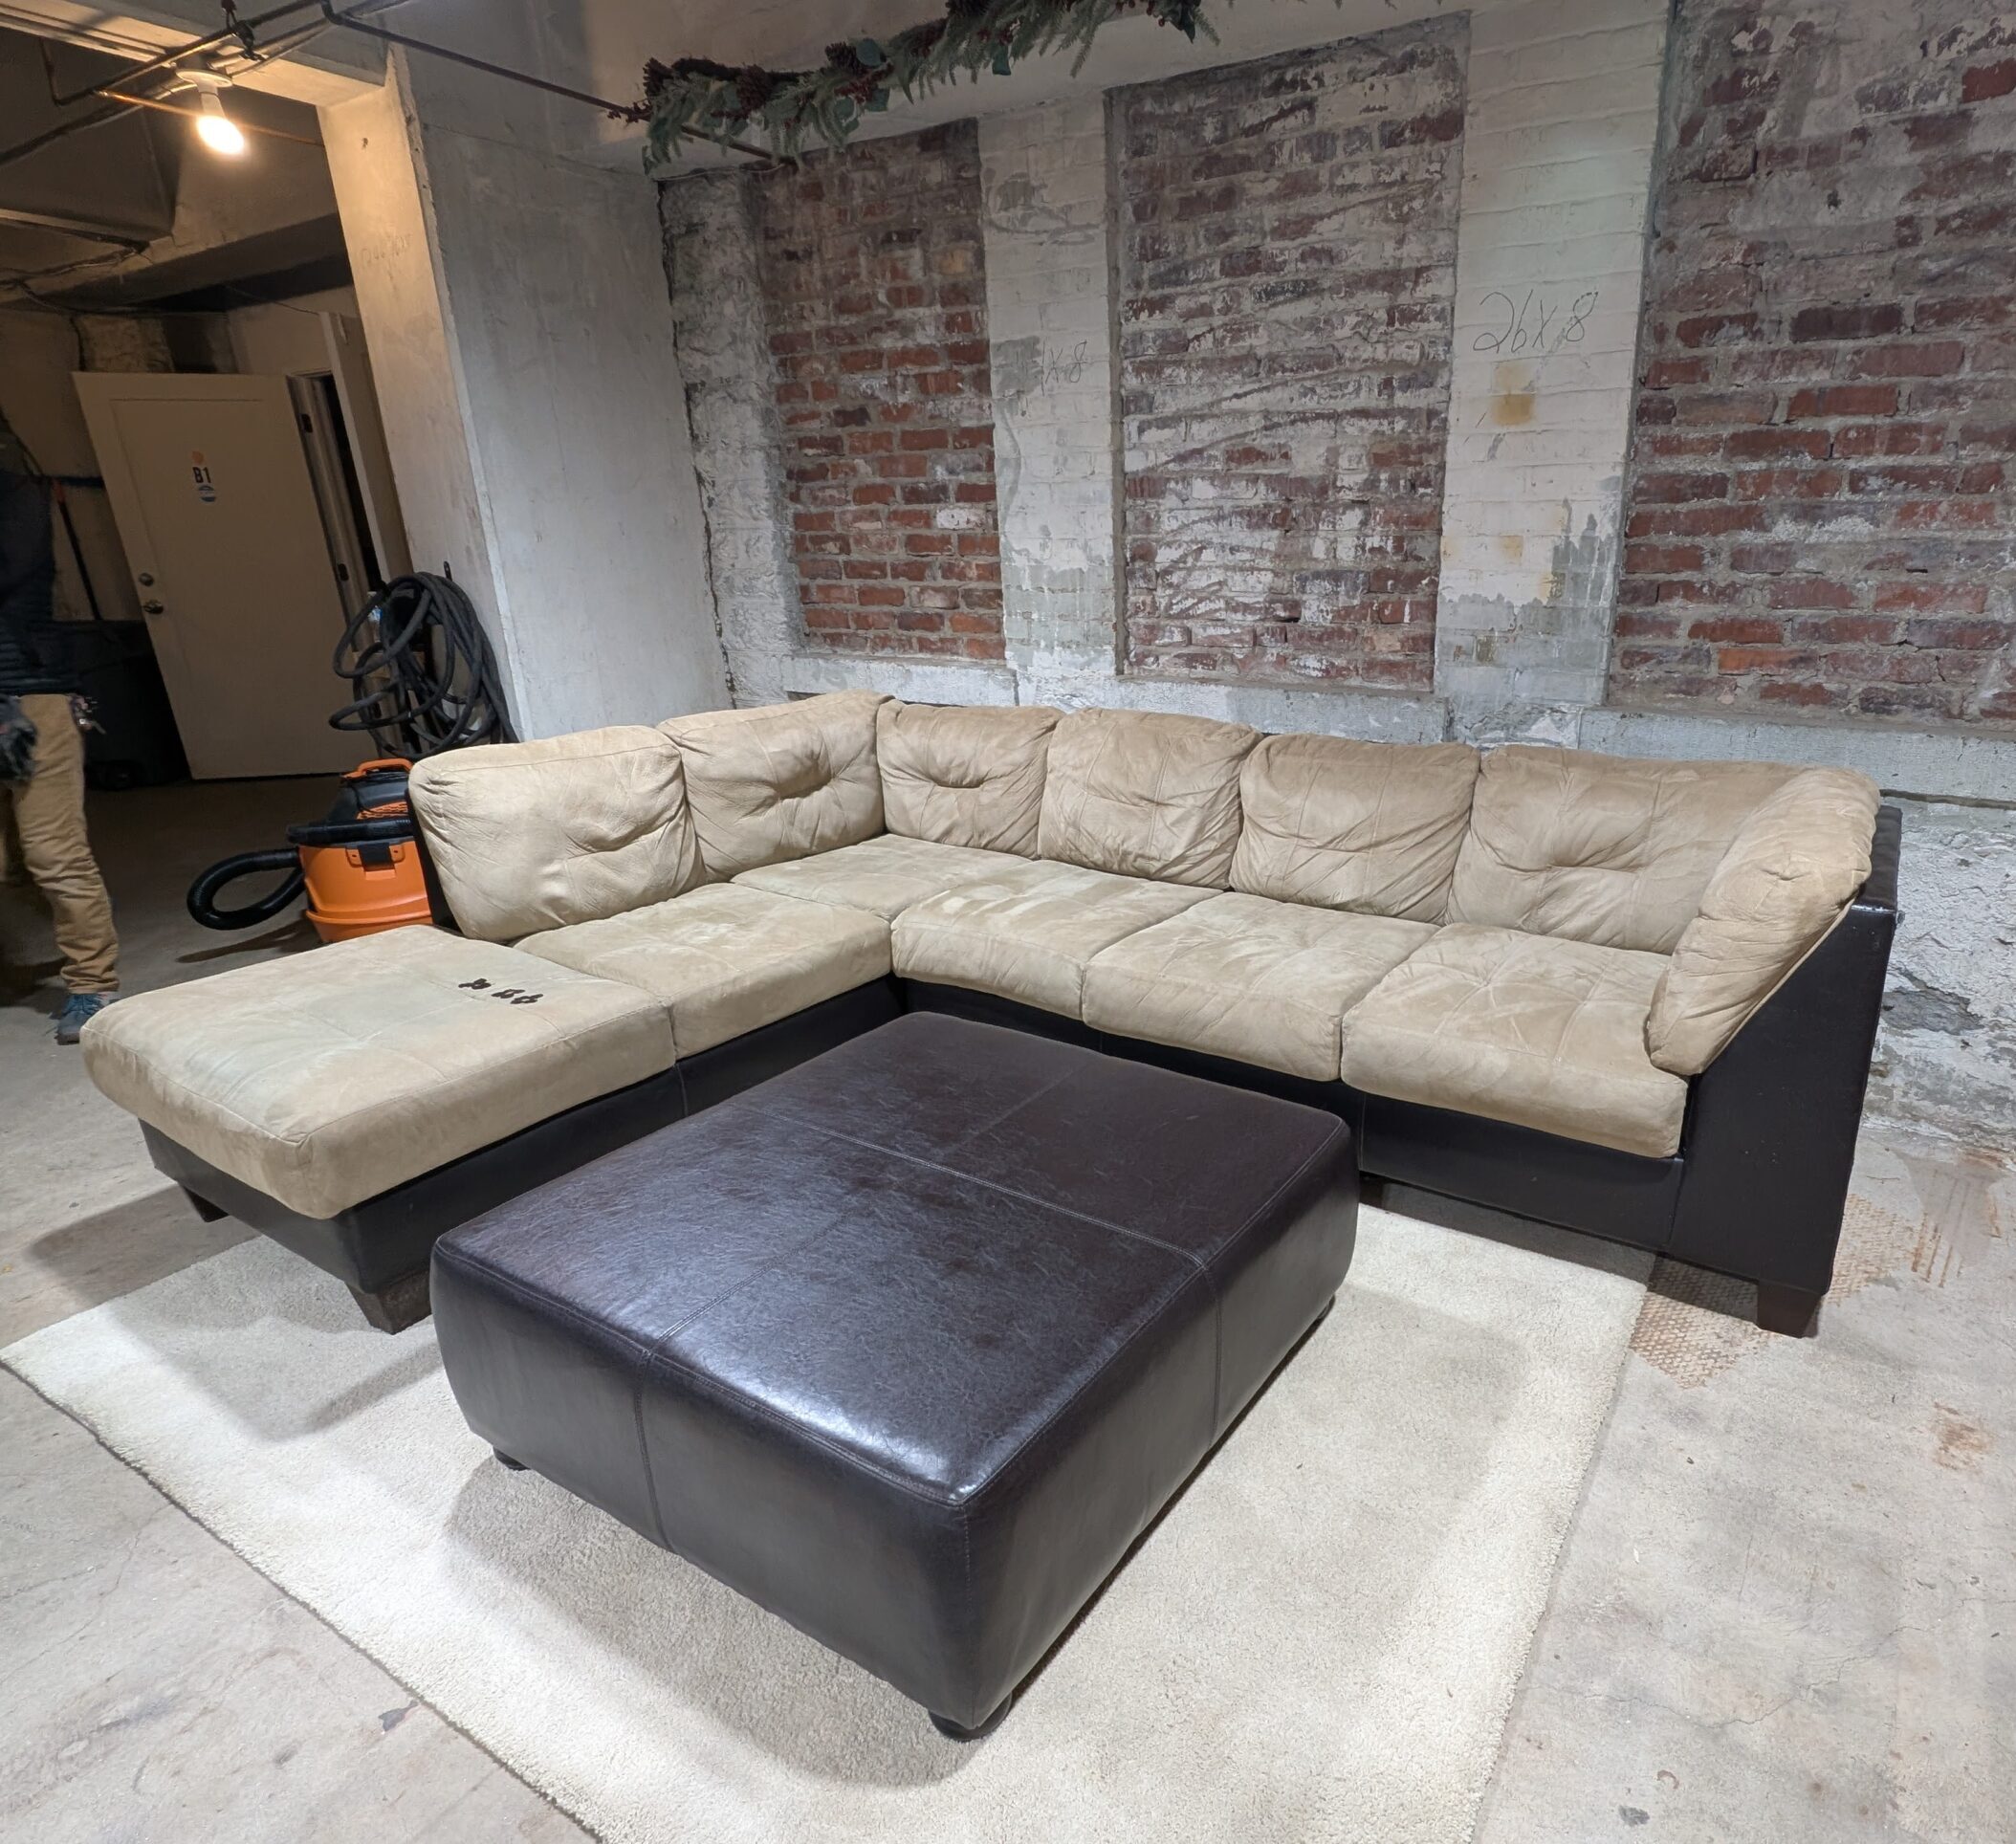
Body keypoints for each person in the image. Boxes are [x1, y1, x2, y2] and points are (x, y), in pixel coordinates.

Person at [0, 460, 119, 1043]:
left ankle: (92, 982)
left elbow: (12, 574)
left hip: (33, 700)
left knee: (54, 854)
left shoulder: (17, 497)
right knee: (8, 866)